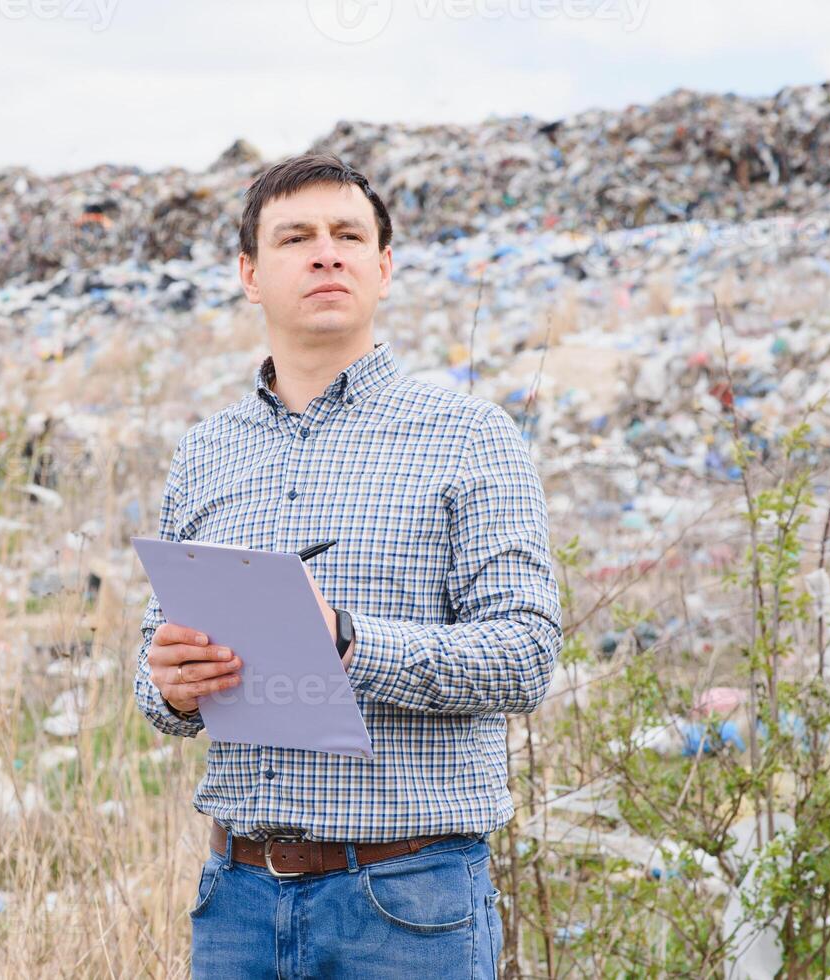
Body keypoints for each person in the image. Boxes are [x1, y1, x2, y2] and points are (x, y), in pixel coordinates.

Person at [132, 153, 562, 978]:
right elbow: (161, 673)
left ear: (383, 266)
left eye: (347, 235)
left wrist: (348, 643)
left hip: (407, 902)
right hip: (236, 902)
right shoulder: (205, 453)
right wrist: (170, 683)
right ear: (251, 275)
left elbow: (525, 656)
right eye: (295, 237)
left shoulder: (468, 436)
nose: (325, 253)